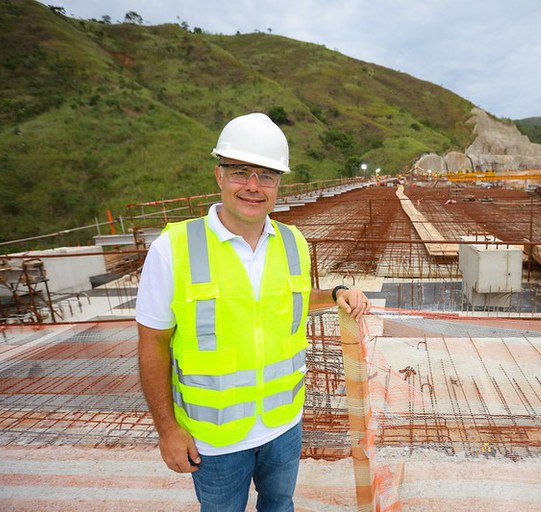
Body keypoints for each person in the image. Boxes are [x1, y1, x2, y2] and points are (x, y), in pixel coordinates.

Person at [136, 113, 370, 511]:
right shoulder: (172, 249)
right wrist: (167, 429)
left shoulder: (292, 241)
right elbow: (152, 344)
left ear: (279, 183)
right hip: (215, 440)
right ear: (219, 175)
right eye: (240, 172)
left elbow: (289, 297)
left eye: (266, 175)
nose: (253, 186)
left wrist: (334, 293)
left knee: (280, 505)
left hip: (284, 427)